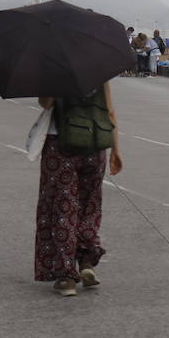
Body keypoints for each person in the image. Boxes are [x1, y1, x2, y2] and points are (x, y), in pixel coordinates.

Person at [35, 84, 122, 296]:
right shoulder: (98, 71)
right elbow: (110, 111)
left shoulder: (54, 69)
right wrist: (116, 150)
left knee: (62, 208)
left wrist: (53, 80)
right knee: (89, 204)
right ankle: (86, 262)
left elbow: (46, 103)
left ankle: (67, 276)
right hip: (95, 143)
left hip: (60, 145)